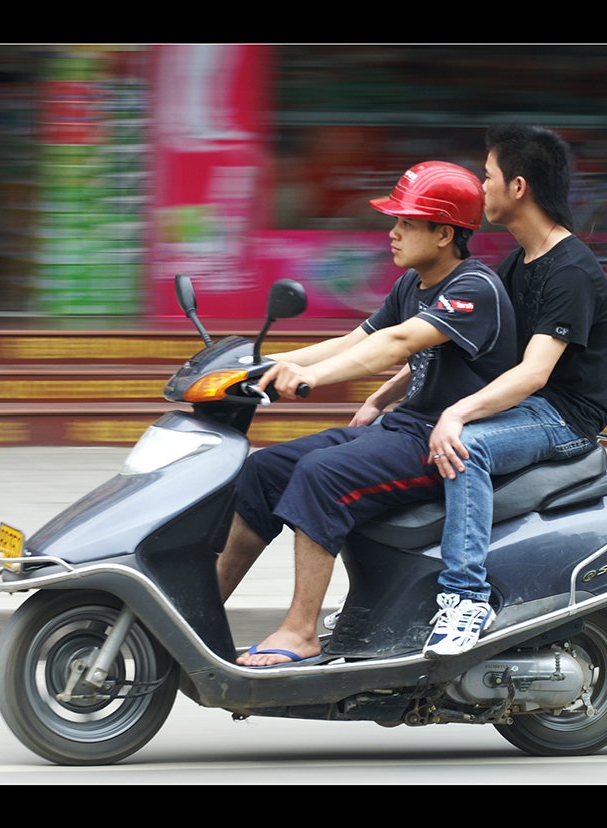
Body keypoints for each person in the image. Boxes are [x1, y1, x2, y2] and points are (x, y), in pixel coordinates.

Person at [218, 160, 518, 667]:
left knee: (321, 475)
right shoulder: (413, 285)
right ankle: (204, 607)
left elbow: (395, 344)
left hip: (441, 442)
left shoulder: (474, 289)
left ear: (444, 233)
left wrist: (312, 378)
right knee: (263, 469)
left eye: (406, 223)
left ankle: (300, 631)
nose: (392, 233)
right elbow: (354, 340)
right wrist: (262, 364)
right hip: (404, 427)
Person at [422, 125, 607, 658]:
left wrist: (457, 414)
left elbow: (534, 373)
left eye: (488, 176)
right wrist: (392, 395)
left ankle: (466, 599)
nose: (480, 187)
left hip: (564, 415)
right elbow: (466, 339)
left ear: (518, 187)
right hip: (531, 406)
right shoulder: (517, 263)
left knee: (466, 447)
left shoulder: (571, 270)